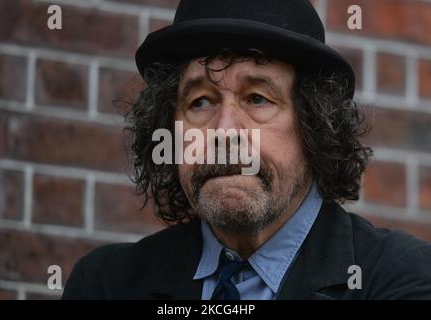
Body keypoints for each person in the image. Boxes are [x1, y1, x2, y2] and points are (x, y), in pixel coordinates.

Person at [62, 0, 431, 300]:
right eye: (201, 102)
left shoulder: (399, 279)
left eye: (257, 98)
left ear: (313, 125)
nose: (224, 132)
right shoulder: (107, 284)